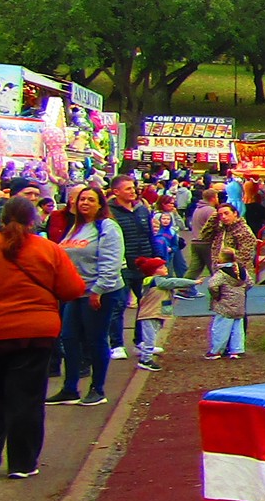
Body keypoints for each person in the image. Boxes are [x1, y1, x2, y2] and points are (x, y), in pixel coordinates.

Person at [0, 195, 86, 475]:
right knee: (27, 398)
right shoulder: (48, 249)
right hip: (36, 332)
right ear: (33, 220)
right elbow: (73, 289)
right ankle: (23, 463)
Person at [53, 186, 124, 406]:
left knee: (95, 339)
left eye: (90, 200)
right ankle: (70, 388)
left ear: (100, 204)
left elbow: (111, 261)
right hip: (75, 292)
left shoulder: (107, 227)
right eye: (81, 199)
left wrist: (98, 290)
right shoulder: (76, 228)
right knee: (69, 337)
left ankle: (97, 389)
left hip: (100, 292)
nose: (85, 203)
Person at [106, 173, 153, 360]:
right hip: (122, 265)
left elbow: (149, 234)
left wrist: (155, 258)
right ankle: (116, 344)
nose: (133, 191)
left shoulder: (142, 210)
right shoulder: (109, 213)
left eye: (133, 187)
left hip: (144, 264)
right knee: (118, 304)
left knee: (146, 304)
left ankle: (141, 341)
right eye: (128, 188)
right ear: (116, 192)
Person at [130, 256, 194, 371]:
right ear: (154, 271)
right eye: (161, 267)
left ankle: (146, 354)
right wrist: (193, 282)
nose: (165, 268)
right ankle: (145, 360)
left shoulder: (156, 281)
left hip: (156, 313)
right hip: (150, 313)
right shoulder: (156, 280)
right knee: (149, 338)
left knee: (152, 336)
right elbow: (174, 282)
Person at [206, 254, 252, 360]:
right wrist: (241, 291)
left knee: (220, 328)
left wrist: (217, 296)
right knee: (237, 328)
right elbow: (250, 283)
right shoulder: (243, 271)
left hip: (225, 304)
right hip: (239, 303)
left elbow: (212, 285)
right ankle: (237, 350)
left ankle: (216, 351)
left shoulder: (222, 273)